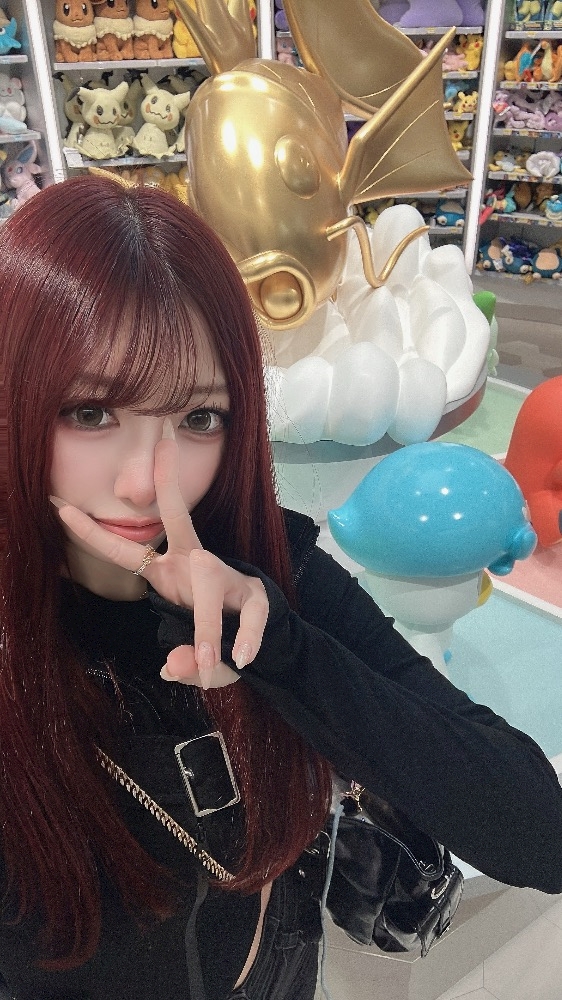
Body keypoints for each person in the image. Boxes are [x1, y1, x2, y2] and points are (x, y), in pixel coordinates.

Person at [0, 175, 560, 1000]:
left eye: (197, 418)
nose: (146, 482)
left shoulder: (271, 569)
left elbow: (537, 829)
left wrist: (286, 657)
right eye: (91, 413)